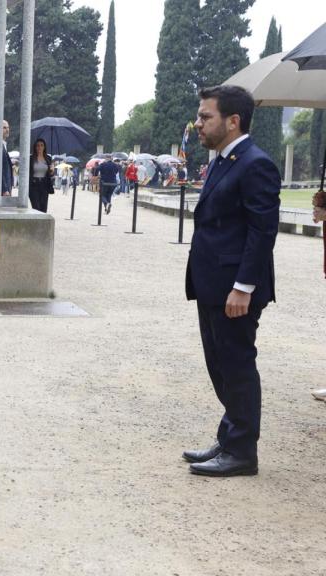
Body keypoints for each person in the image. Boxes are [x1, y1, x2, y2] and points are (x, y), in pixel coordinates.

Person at [183, 85, 280, 477]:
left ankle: (242, 452)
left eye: (206, 116)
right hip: (212, 284)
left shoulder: (255, 163)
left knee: (237, 365)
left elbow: (262, 231)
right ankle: (230, 437)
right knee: (220, 365)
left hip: (234, 289)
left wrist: (244, 287)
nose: (199, 122)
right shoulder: (225, 160)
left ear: (233, 120)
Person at [28, 138, 54, 212]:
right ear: (35, 147)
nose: (39, 147)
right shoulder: (31, 159)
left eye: (42, 145)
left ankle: (42, 224)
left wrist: (52, 171)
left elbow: (50, 174)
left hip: (44, 185)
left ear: (44, 147)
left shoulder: (48, 158)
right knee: (36, 207)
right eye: (38, 145)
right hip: (34, 185)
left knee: (43, 208)